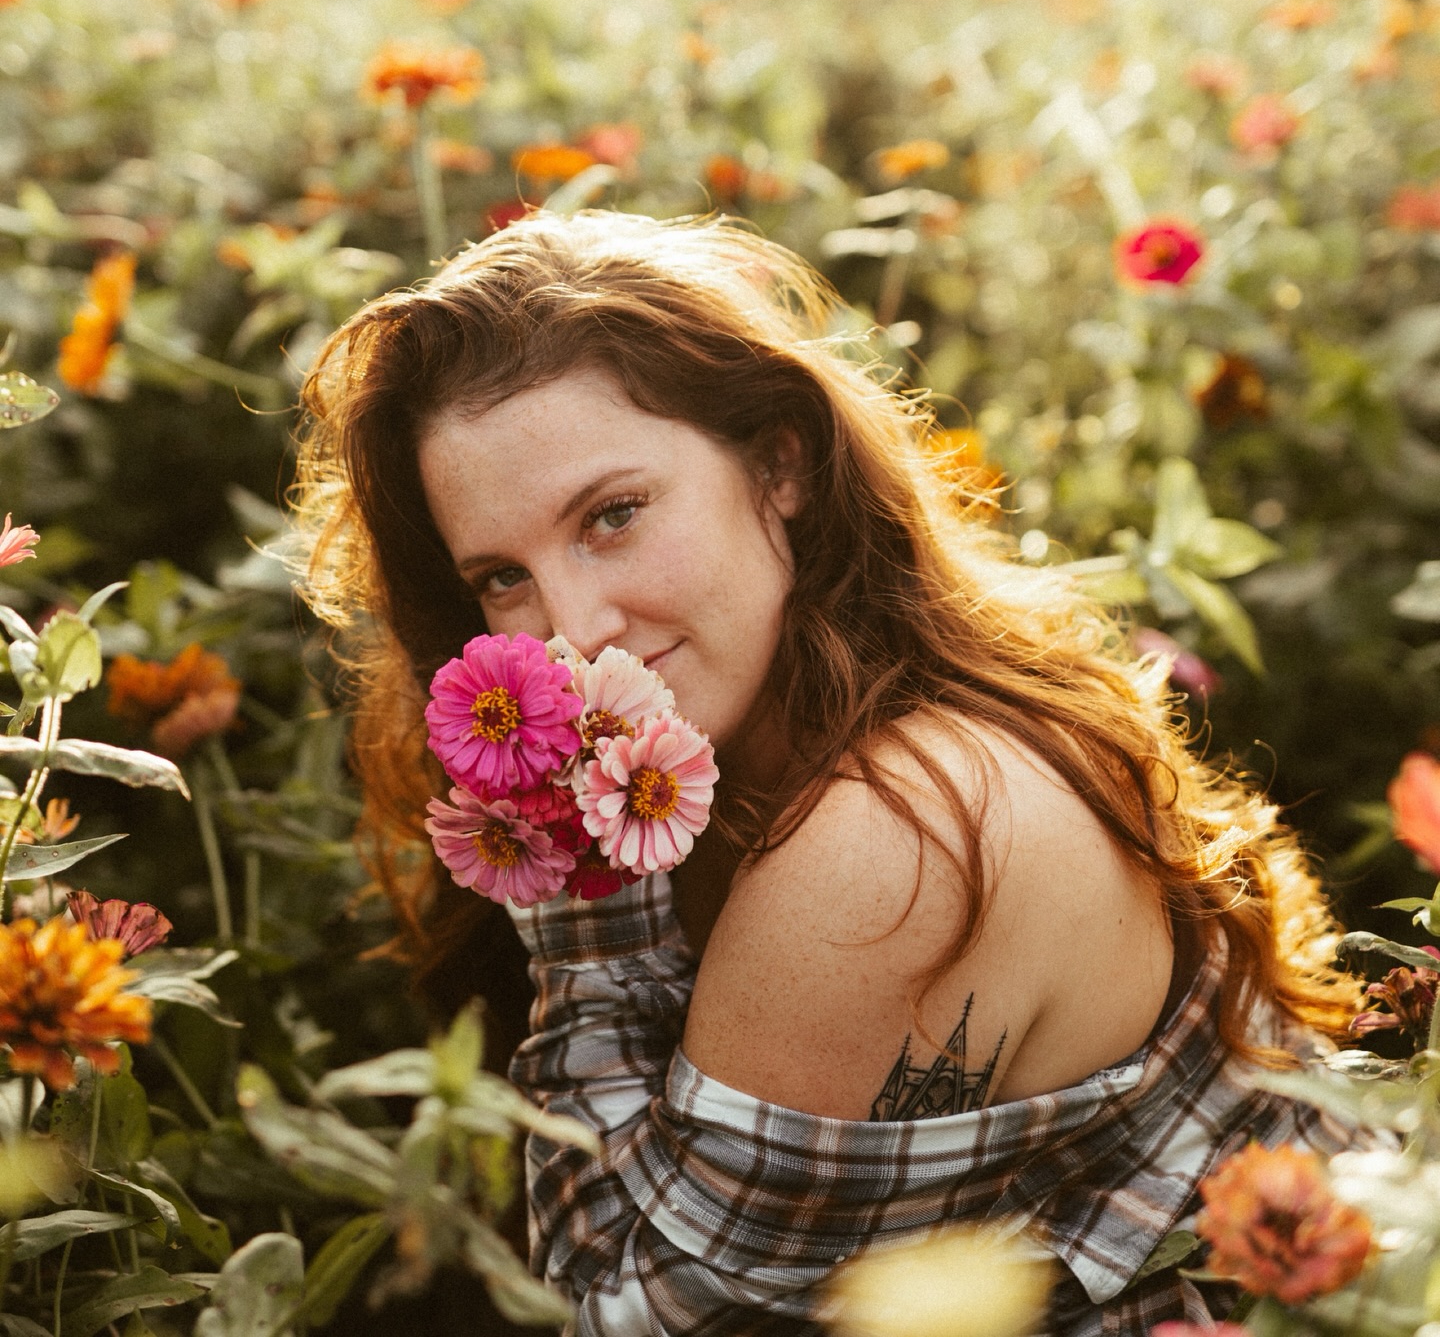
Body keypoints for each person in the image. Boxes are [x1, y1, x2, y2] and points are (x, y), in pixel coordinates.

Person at [294, 209, 1362, 1337]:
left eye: (612, 516)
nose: (574, 630)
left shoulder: (890, 837)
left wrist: (570, 886)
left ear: (780, 462)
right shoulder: (760, 758)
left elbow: (622, 1315)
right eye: (503, 577)